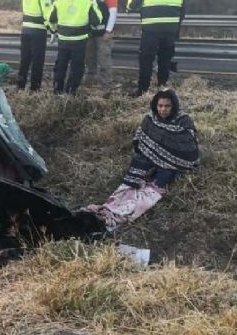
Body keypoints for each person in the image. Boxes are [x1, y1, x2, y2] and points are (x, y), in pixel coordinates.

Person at [84, 89, 199, 230]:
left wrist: (167, 159)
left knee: (153, 189)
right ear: (155, 105)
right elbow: (140, 139)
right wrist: (151, 154)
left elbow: (189, 148)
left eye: (167, 106)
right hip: (148, 158)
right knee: (132, 181)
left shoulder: (184, 120)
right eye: (160, 106)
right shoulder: (150, 118)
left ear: (174, 106)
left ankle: (123, 215)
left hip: (171, 164)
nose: (163, 110)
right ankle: (109, 209)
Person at [127, 0, 186, 97]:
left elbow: (131, 4)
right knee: (165, 59)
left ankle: (143, 90)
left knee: (146, 59)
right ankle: (162, 88)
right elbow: (183, 9)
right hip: (171, 29)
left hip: (151, 29)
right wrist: (175, 26)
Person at [48, 0, 103, 95]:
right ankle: (70, 93)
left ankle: (57, 91)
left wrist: (53, 30)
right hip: (80, 41)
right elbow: (97, 21)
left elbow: (50, 19)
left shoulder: (59, 0)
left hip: (63, 40)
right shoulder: (88, 1)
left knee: (60, 65)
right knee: (77, 67)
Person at [7, 0, 53, 91]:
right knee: (37, 62)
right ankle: (34, 89)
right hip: (38, 32)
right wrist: (53, 30)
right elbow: (48, 15)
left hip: (25, 31)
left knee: (25, 60)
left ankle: (20, 86)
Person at [85, 0, 119, 87]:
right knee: (90, 57)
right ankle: (90, 80)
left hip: (103, 33)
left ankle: (106, 83)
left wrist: (108, 31)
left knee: (104, 58)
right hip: (93, 32)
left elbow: (113, 13)